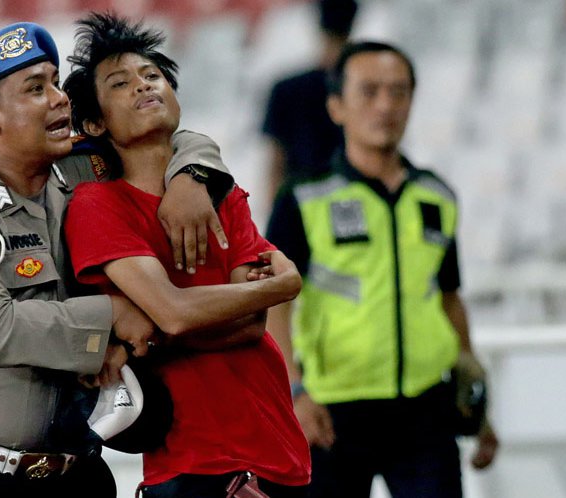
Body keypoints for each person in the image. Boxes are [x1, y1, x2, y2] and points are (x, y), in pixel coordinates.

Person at [0, 21, 236, 498]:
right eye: (36, 89)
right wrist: (113, 317)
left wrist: (191, 177)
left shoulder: (83, 167)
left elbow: (168, 134)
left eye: (54, 81)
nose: (59, 98)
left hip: (73, 473)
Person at [62, 13, 311, 498]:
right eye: (120, 83)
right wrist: (277, 287)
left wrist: (163, 328)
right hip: (191, 455)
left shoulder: (223, 192)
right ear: (95, 122)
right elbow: (175, 315)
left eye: (152, 75)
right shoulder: (98, 204)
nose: (142, 86)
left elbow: (252, 323)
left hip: (280, 447)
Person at [264, 41, 500, 498]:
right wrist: (295, 393)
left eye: (398, 92)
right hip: (332, 412)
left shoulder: (437, 197)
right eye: (369, 92)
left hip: (425, 412)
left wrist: (476, 394)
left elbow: (449, 297)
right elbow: (275, 305)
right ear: (337, 106)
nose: (385, 106)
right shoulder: (303, 198)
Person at [261, 0, 358, 200]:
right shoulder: (362, 91)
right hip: (352, 203)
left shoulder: (286, 89)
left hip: (299, 203)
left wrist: (274, 215)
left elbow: (275, 162)